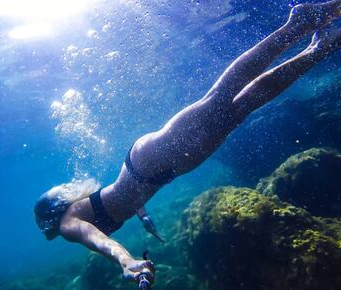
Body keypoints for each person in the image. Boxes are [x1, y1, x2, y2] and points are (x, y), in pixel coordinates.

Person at [35, 1, 341, 286]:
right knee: (239, 109)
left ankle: (296, 25)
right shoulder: (80, 210)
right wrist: (143, 217)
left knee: (220, 99)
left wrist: (126, 261)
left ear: (51, 216)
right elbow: (123, 198)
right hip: (158, 169)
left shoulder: (68, 224)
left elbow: (100, 241)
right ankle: (318, 47)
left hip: (149, 163)